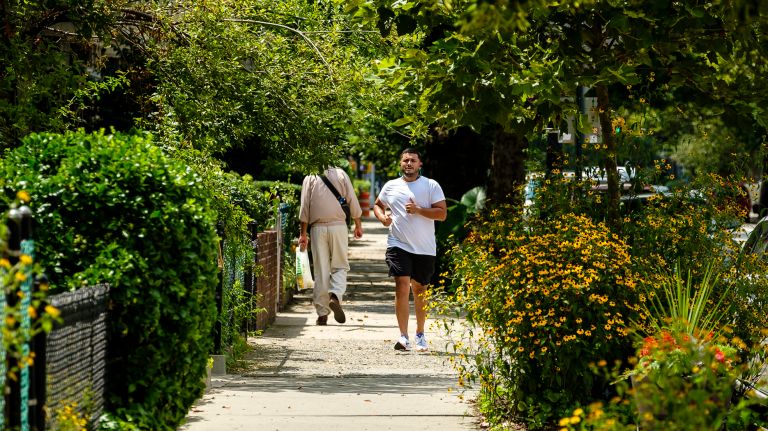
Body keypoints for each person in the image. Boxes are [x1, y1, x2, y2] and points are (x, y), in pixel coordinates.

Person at [373, 149, 446, 351]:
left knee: (420, 289)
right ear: (400, 163)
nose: (409, 163)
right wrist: (382, 218)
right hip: (398, 244)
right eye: (405, 160)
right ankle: (403, 336)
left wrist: (419, 210)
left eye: (413, 160)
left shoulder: (431, 185)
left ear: (420, 164)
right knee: (402, 284)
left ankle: (420, 334)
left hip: (424, 247)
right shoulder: (391, 186)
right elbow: (378, 205)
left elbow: (442, 214)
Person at [298, 167, 363, 325]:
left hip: (317, 227)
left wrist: (303, 234)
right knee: (340, 265)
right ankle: (335, 295)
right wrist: (358, 224)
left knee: (321, 270)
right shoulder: (341, 174)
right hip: (338, 226)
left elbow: (305, 206)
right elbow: (351, 199)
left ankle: (322, 314)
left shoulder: (310, 176)